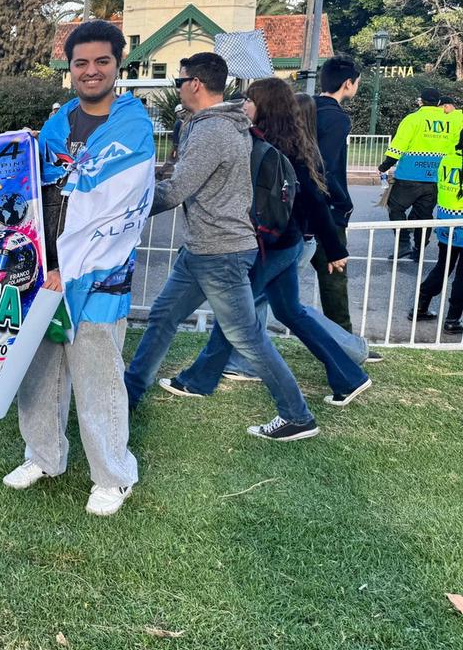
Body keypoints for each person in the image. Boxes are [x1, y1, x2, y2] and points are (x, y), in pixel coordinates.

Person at [124, 53, 320, 441]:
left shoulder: (213, 131)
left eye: (179, 81)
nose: (177, 88)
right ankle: (128, 394)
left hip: (221, 254)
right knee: (163, 317)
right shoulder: (219, 124)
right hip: (203, 249)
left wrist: (121, 209)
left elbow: (177, 191)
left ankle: (297, 415)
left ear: (195, 84)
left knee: (247, 337)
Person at [2, 20, 154, 517]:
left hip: (97, 276)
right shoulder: (56, 124)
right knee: (39, 373)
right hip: (42, 273)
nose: (91, 71)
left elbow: (115, 210)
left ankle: (113, 475)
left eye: (101, 62)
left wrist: (68, 268)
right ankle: (44, 456)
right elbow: (32, 188)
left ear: (118, 65)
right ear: (69, 70)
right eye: (81, 63)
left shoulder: (133, 127)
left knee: (98, 378)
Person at [158, 78, 372, 408]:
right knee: (291, 313)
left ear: (264, 106)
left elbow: (316, 200)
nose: (243, 105)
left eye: (249, 100)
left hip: (272, 247)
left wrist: (335, 249)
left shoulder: (275, 148)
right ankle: (349, 376)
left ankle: (198, 380)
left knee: (236, 316)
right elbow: (314, 199)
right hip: (285, 244)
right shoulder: (286, 142)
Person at [312, 56, 360, 330]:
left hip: (295, 208)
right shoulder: (336, 118)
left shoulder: (303, 109)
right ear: (347, 84)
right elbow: (325, 169)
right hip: (325, 211)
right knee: (334, 278)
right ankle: (346, 345)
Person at [380, 88, 455, 262]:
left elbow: (398, 146)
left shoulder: (413, 119)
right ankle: (419, 250)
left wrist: (385, 166)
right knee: (425, 216)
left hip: (410, 175)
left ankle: (404, 243)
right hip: (435, 177)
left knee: (396, 207)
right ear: (438, 103)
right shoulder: (449, 122)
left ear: (421, 101)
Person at [407, 128, 463, 332]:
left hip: (446, 220)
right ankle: (453, 319)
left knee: (443, 265)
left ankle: (420, 307)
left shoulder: (447, 160)